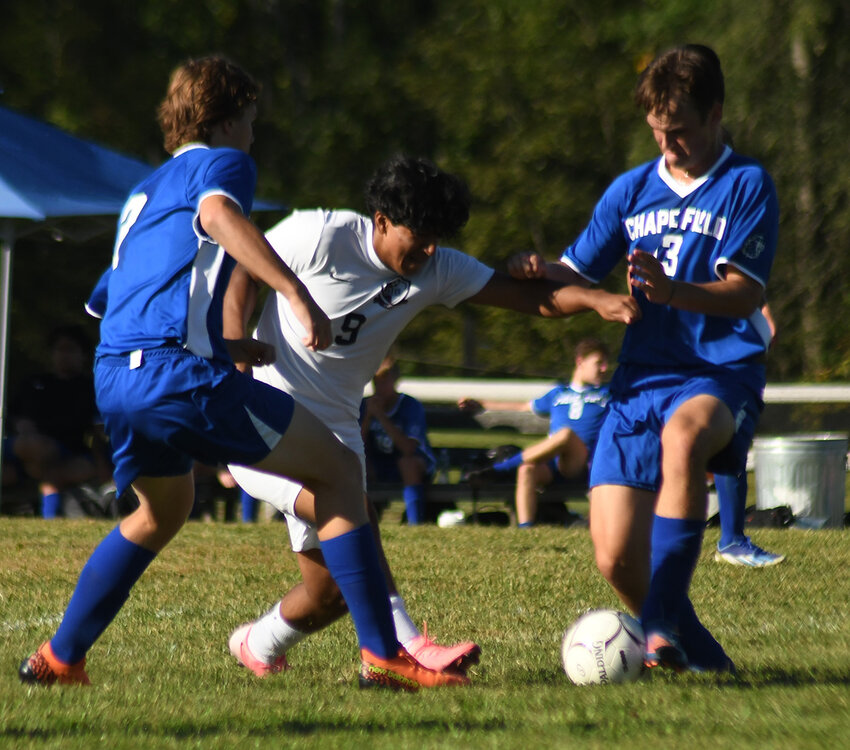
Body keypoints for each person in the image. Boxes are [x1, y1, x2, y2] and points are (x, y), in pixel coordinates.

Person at [18, 55, 466, 692]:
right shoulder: (222, 163)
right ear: (226, 118)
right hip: (172, 373)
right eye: (250, 120)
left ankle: (59, 660)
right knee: (339, 471)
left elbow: (110, 296)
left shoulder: (142, 195)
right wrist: (296, 295)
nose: (254, 135)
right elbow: (222, 219)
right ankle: (384, 657)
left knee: (159, 513)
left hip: (115, 373)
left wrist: (224, 343)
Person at [224, 154, 641, 679]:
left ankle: (258, 645)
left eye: (436, 238)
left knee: (329, 593)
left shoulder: (437, 268)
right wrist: (236, 349)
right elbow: (244, 269)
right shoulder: (318, 233)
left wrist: (596, 299)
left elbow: (531, 298)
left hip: (335, 432)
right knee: (350, 508)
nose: (428, 250)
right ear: (380, 221)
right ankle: (403, 647)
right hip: (260, 415)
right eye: (418, 235)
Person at [508, 44, 778, 672]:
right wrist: (536, 269)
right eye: (658, 131)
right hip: (638, 380)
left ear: (715, 113)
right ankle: (705, 661)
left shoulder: (746, 184)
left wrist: (671, 291)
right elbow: (573, 271)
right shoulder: (631, 189)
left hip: (718, 371)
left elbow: (748, 292)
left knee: (685, 440)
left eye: (679, 131)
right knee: (614, 559)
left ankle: (656, 623)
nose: (668, 144)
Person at [460, 337, 610, 527]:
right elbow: (523, 407)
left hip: (583, 464)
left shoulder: (607, 394)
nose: (604, 369)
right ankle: (526, 528)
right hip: (554, 465)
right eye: (599, 363)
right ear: (580, 361)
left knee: (565, 435)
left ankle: (499, 470)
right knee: (527, 469)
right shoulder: (558, 393)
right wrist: (482, 405)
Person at [8, 325, 112, 518]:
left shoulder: (90, 388)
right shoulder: (34, 384)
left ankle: (49, 519)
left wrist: (101, 463)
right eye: (59, 349)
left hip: (71, 453)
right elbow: (14, 416)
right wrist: (20, 426)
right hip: (25, 449)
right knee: (28, 452)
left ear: (83, 355)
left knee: (51, 475)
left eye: (70, 349)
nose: (64, 355)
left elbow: (96, 430)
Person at [713, 302, 784, 566]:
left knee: (729, 445)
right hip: (716, 359)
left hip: (736, 360)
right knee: (725, 445)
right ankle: (731, 542)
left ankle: (732, 541)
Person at [361, 354, 437, 525]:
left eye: (384, 381)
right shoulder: (365, 405)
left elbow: (408, 448)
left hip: (413, 465)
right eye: (376, 381)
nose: (380, 386)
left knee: (407, 463)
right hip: (378, 464)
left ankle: (414, 521)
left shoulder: (410, 406)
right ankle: (363, 522)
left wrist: (381, 416)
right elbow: (356, 443)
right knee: (355, 463)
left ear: (395, 381)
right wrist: (367, 418)